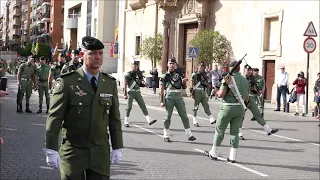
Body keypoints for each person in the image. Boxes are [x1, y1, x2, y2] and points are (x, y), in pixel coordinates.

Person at [44, 36, 123, 180]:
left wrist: (118, 146)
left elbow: (114, 119)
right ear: (82, 55)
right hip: (74, 152)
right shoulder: (67, 82)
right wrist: (51, 148)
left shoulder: (109, 83)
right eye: (92, 53)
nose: (98, 57)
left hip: (100, 152)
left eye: (100, 53)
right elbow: (55, 118)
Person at [206, 60, 249, 163]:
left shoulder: (228, 79)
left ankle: (214, 151)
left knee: (220, 130)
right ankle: (233, 156)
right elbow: (247, 98)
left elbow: (221, 94)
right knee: (235, 132)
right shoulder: (245, 80)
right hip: (239, 108)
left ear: (231, 68)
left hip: (227, 107)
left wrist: (216, 92)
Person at [159, 58, 196, 142]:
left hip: (178, 96)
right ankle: (166, 134)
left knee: (184, 115)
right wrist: (161, 101)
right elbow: (161, 90)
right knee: (168, 116)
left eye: (173, 63)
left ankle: (189, 134)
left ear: (175, 65)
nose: (171, 65)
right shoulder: (164, 76)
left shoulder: (179, 75)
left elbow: (184, 87)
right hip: (169, 96)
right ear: (168, 65)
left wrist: (183, 82)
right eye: (170, 63)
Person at [239, 65, 278, 140]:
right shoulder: (241, 78)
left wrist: (255, 86)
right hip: (243, 99)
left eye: (250, 70)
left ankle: (268, 130)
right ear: (244, 70)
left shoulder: (251, 78)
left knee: (257, 114)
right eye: (247, 70)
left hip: (251, 98)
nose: (249, 72)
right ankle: (239, 133)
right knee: (241, 116)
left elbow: (255, 89)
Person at [123, 62, 157, 127]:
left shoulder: (139, 73)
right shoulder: (129, 74)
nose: (135, 67)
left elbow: (141, 81)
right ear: (131, 66)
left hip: (137, 92)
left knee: (143, 106)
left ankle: (149, 119)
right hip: (131, 92)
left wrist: (145, 84)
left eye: (136, 66)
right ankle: (126, 120)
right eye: (134, 66)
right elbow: (125, 84)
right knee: (129, 107)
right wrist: (125, 94)